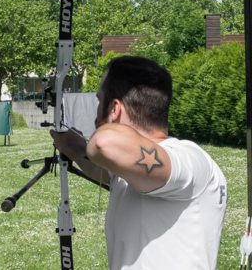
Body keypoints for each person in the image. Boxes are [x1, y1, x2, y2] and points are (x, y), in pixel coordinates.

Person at [50, 56, 227, 269]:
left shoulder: (188, 158)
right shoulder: (134, 168)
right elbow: (105, 172)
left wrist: (94, 138)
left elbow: (103, 144)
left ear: (114, 109)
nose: (95, 114)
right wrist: (72, 147)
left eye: (99, 101)